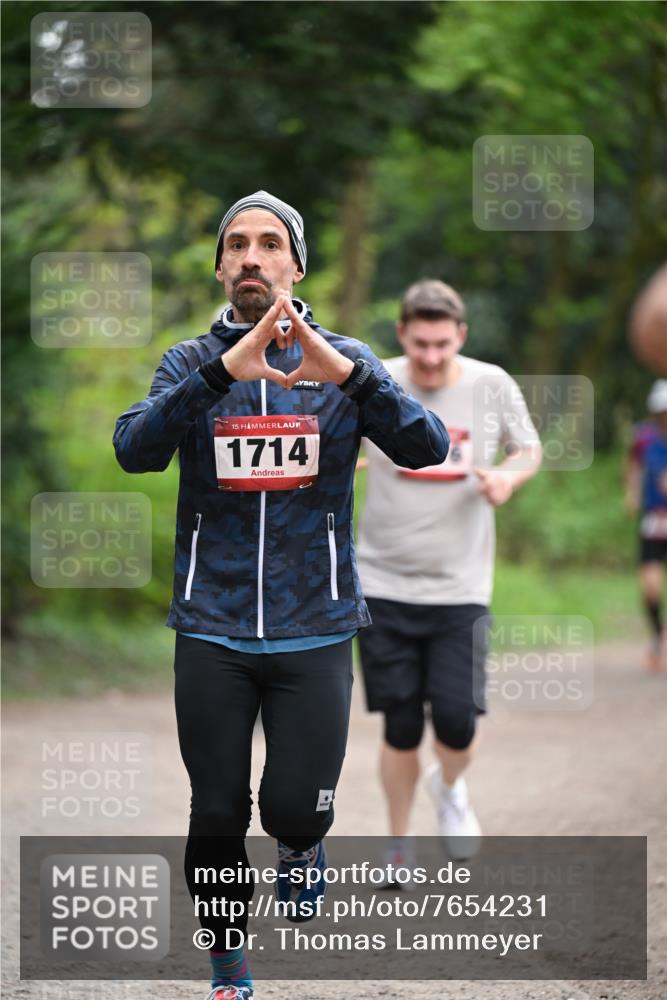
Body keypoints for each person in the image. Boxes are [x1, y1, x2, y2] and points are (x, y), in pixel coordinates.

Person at [113, 193, 449, 1000]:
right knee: (218, 809)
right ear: (222, 267)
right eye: (237, 245)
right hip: (212, 625)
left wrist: (351, 375)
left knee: (295, 809)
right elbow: (134, 449)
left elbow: (426, 448)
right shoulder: (188, 361)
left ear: (296, 266)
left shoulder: (344, 361)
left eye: (270, 245)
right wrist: (221, 374)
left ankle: (302, 845)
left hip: (316, 624)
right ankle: (228, 959)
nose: (252, 257)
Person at [356, 279, 541, 874]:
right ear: (402, 335)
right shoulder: (374, 380)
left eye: (442, 344)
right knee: (401, 724)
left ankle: (451, 787)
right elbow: (333, 440)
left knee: (458, 723)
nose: (431, 358)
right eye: (420, 345)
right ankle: (397, 843)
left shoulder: (491, 384)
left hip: (461, 586)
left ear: (460, 335)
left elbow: (527, 448)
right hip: (382, 582)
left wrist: (509, 478)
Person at [625, 379, 667, 672]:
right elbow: (633, 465)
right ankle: (656, 636)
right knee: (650, 587)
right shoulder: (643, 438)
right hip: (654, 520)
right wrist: (631, 493)